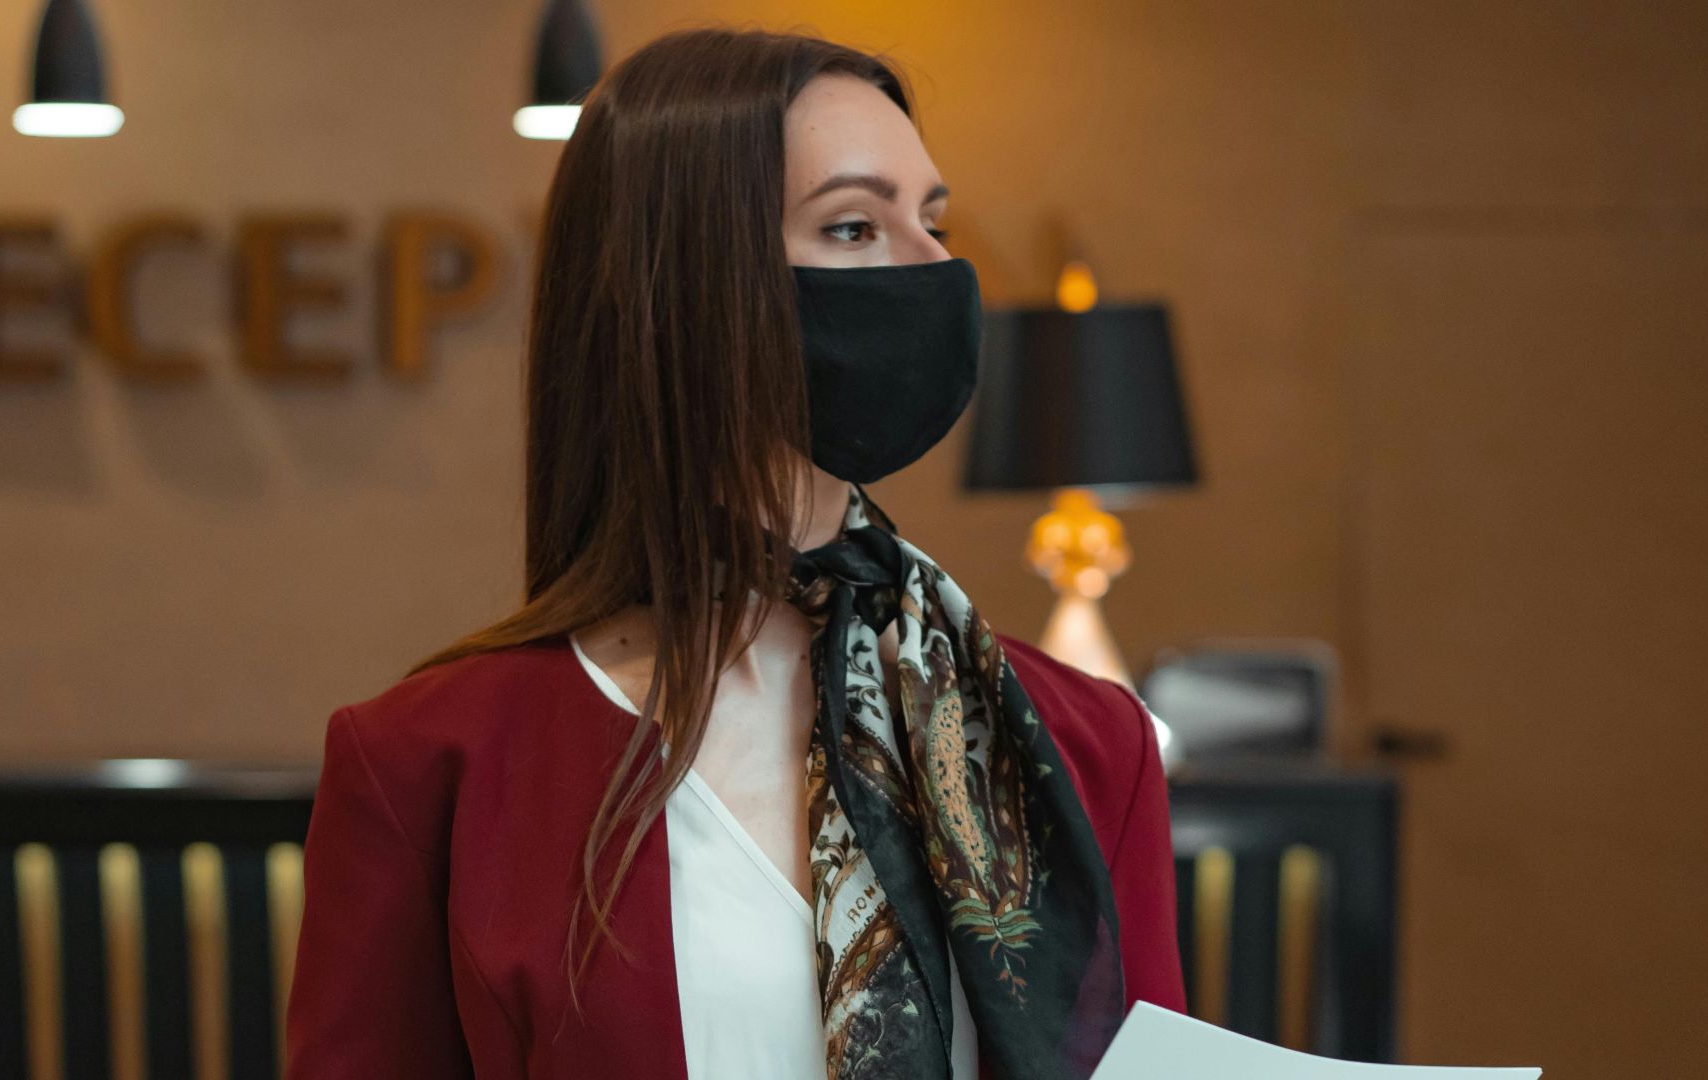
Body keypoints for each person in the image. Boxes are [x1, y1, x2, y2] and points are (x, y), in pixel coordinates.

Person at [285, 25, 1184, 1080]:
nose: (937, 270)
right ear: (687, 281)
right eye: (854, 228)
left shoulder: (1079, 749)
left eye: (931, 220)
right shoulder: (432, 766)